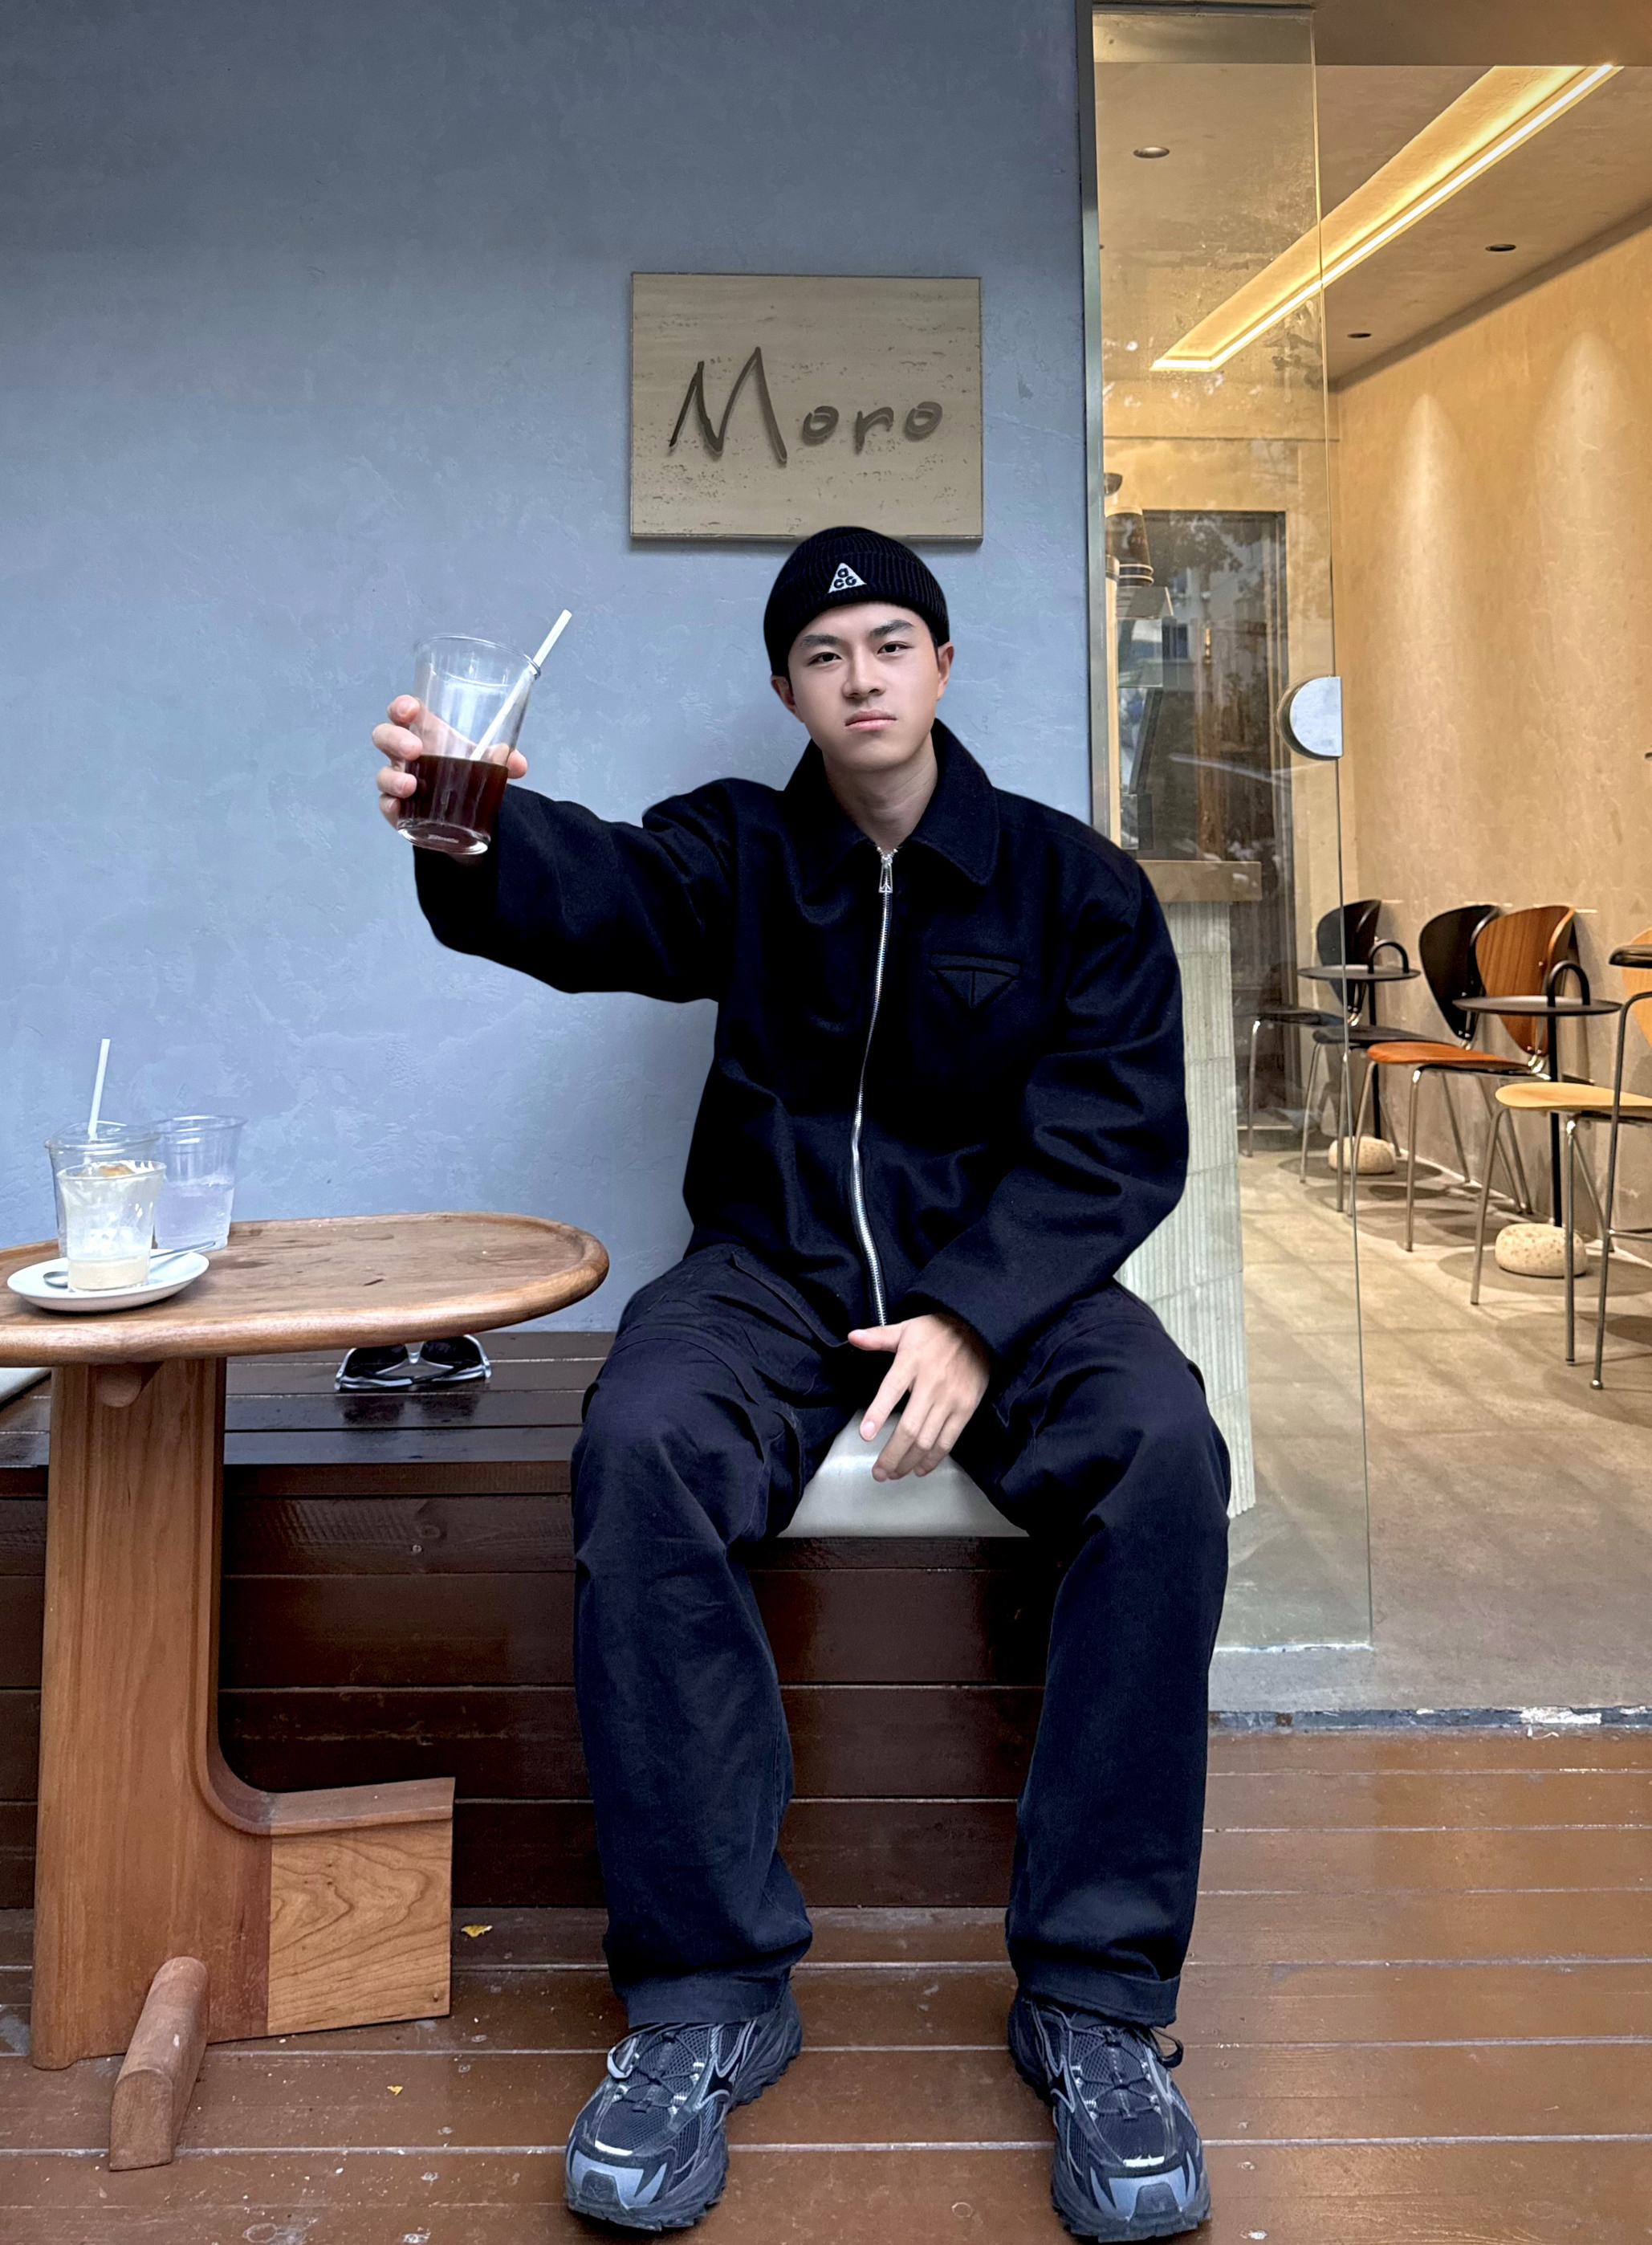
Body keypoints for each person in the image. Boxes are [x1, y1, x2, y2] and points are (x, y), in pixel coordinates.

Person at [373, 526, 1230, 2241]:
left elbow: (1121, 1136)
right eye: (825, 655)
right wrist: (468, 838)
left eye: (892, 643)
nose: (862, 676)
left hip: (1018, 1291)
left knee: (1162, 1450)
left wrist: (975, 1315)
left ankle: (1097, 1999)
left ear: (942, 667)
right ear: (789, 690)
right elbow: (599, 890)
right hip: (770, 1278)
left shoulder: (1075, 886)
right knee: (643, 1438)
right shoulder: (741, 849)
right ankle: (705, 1993)